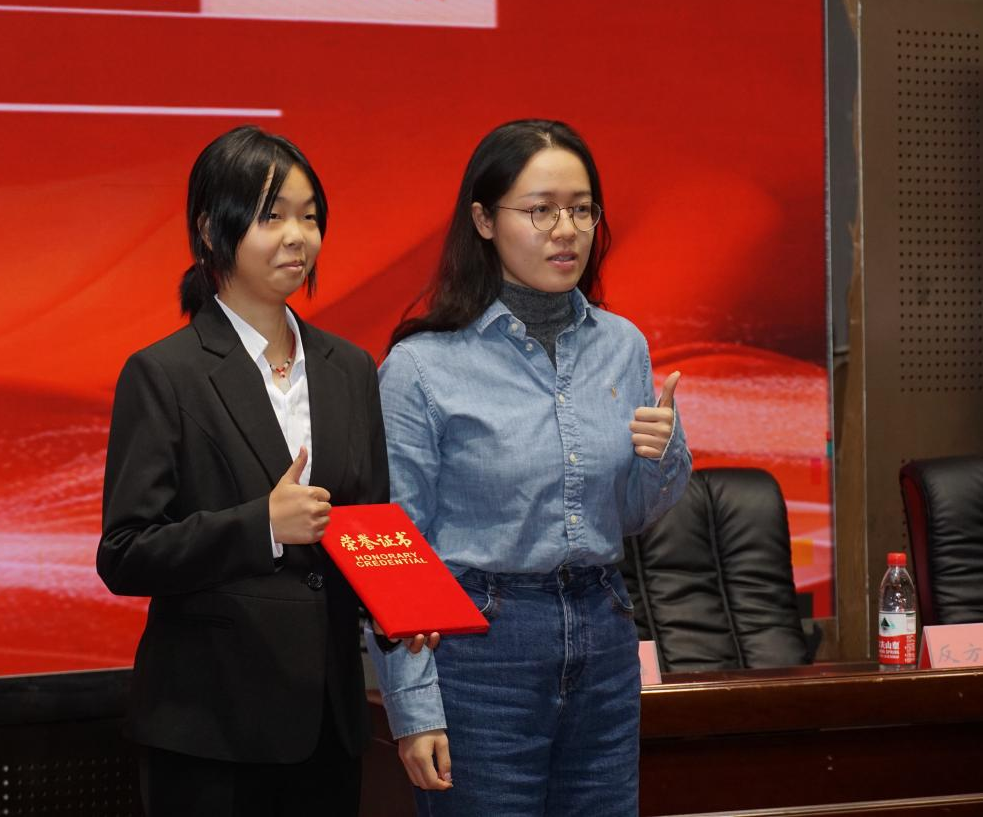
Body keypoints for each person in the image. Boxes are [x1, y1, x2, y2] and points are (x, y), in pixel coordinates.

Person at [97, 125, 431, 816]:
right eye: (271, 216)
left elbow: (367, 525)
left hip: (328, 725)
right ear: (210, 230)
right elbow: (125, 552)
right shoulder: (164, 373)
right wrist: (263, 526)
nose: (297, 238)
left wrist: (399, 605)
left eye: (309, 217)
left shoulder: (349, 368)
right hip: (210, 729)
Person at [366, 119, 692, 816]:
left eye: (582, 209)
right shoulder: (422, 366)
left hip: (603, 633)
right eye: (540, 210)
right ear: (484, 220)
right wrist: (413, 706)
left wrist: (664, 454)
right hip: (479, 648)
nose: (565, 230)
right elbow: (396, 553)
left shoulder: (623, 345)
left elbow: (630, 515)